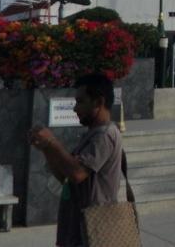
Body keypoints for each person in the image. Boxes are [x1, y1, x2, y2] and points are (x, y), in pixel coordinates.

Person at [27, 73, 125, 247]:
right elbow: (66, 177)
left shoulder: (105, 135)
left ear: (98, 102)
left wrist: (52, 142)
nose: (75, 109)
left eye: (80, 102)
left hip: (94, 231)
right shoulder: (92, 134)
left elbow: (78, 173)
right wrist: (46, 148)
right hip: (76, 229)